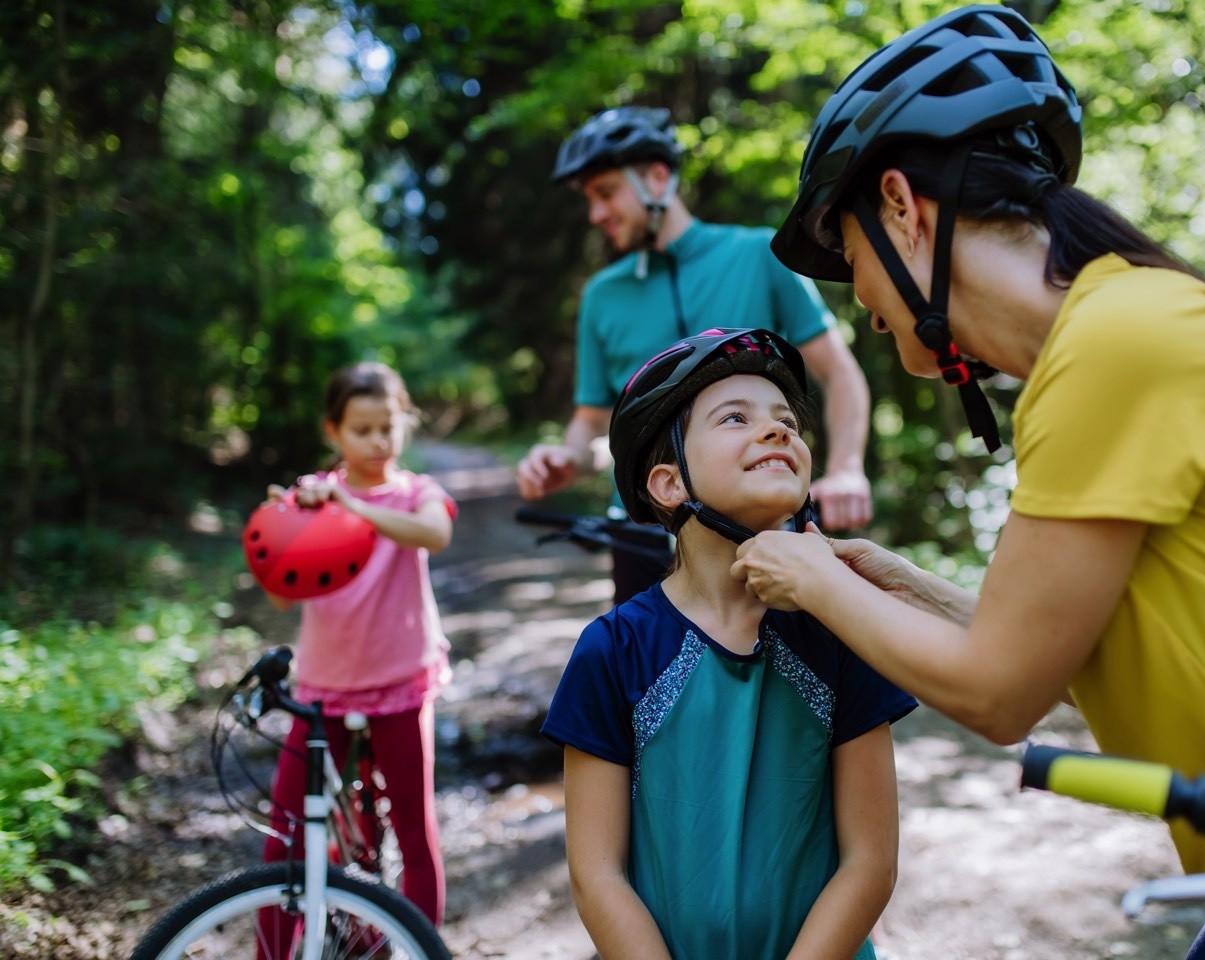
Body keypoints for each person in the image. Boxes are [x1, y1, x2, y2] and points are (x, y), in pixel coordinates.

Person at [730, 7, 1205, 960]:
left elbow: (1003, 696)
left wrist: (810, 579)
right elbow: (1062, 668)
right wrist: (897, 585)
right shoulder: (1107, 341)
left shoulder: (1120, 343)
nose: (859, 303)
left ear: (902, 207)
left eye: (850, 259)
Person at [541, 328, 916, 959]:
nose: (777, 432)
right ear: (669, 484)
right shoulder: (614, 649)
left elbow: (870, 862)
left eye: (787, 421)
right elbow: (596, 874)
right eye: (735, 418)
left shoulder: (843, 627)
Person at [517, 106, 876, 604]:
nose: (596, 214)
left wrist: (847, 468)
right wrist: (568, 457)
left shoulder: (759, 256)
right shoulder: (602, 296)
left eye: (605, 193)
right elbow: (594, 424)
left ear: (658, 179)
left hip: (766, 527)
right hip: (644, 535)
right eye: (590, 200)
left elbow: (841, 375)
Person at [255, 361, 455, 949]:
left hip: (401, 683)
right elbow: (277, 593)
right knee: (285, 838)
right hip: (323, 689)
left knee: (414, 834)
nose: (377, 442)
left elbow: (433, 535)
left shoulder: (417, 492)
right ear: (333, 432)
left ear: (404, 425)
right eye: (361, 430)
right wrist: (281, 525)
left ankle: (417, 946)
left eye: (387, 427)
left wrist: (350, 502)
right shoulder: (312, 498)